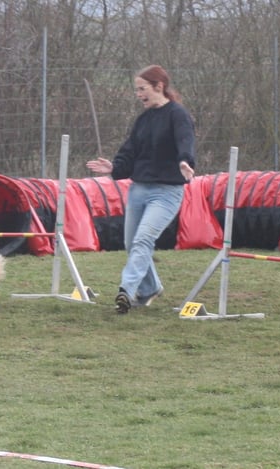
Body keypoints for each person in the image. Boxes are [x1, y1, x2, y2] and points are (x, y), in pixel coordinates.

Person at [86, 64, 195, 314]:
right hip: (138, 190)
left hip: (167, 192)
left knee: (143, 239)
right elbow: (130, 151)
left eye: (142, 89)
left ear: (159, 86)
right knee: (131, 243)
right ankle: (150, 288)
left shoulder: (178, 115)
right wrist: (114, 167)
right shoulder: (143, 120)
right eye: (137, 89)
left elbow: (185, 142)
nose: (138, 94)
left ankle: (126, 290)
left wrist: (185, 162)